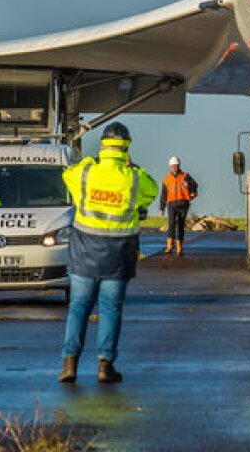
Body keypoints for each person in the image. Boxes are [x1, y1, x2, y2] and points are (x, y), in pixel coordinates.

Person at [58, 122, 158, 384]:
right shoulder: (133, 178)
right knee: (111, 309)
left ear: (103, 145)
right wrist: (133, 167)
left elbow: (67, 175)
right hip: (118, 254)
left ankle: (69, 364)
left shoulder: (86, 173)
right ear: (127, 148)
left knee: (78, 308)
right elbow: (152, 191)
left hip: (84, 252)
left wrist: (89, 161)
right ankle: (105, 365)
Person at [160, 156, 199, 256]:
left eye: (176, 166)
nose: (174, 167)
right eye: (172, 166)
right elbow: (163, 194)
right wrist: (162, 207)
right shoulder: (166, 179)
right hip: (171, 204)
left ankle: (179, 248)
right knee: (171, 224)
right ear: (170, 167)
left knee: (181, 225)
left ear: (179, 165)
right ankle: (169, 246)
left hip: (183, 203)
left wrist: (188, 186)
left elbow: (195, 185)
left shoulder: (185, 176)